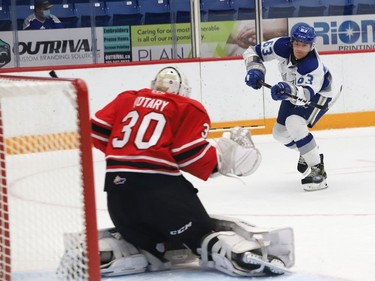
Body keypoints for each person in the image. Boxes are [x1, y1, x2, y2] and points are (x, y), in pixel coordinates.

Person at [89, 66, 294, 277]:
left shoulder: (127, 99)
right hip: (160, 192)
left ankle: (129, 250)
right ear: (183, 90)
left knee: (146, 240)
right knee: (201, 234)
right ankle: (234, 256)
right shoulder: (184, 106)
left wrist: (128, 152)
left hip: (117, 194)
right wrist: (219, 161)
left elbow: (96, 129)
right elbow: (188, 154)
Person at [243, 23, 338, 192]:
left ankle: (318, 168)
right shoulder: (281, 45)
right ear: (291, 41)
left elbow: (305, 95)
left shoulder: (311, 65)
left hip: (321, 94)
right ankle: (309, 151)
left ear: (311, 46)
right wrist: (255, 68)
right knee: (279, 134)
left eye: (305, 45)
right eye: (297, 44)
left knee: (295, 122)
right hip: (292, 89)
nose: (300, 48)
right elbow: (252, 51)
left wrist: (287, 90)